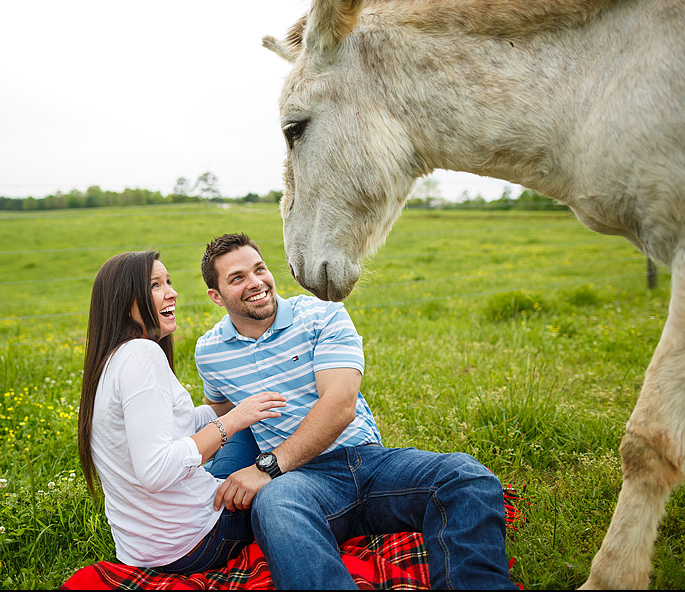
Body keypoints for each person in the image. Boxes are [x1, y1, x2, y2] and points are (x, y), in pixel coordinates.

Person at [195, 233, 517, 590]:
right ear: (216, 296)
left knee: (466, 475)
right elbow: (219, 415)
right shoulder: (210, 352)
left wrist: (266, 467)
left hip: (368, 464)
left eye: (260, 269)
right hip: (302, 484)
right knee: (273, 505)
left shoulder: (321, 314)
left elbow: (340, 404)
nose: (256, 283)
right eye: (237, 278)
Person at [77, 250, 286, 574]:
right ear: (124, 300)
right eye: (155, 285)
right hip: (194, 541)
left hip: (143, 549)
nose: (172, 292)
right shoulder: (142, 355)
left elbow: (172, 425)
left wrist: (232, 404)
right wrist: (233, 420)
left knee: (244, 433)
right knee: (292, 486)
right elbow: (156, 469)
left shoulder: (111, 361)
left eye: (169, 282)